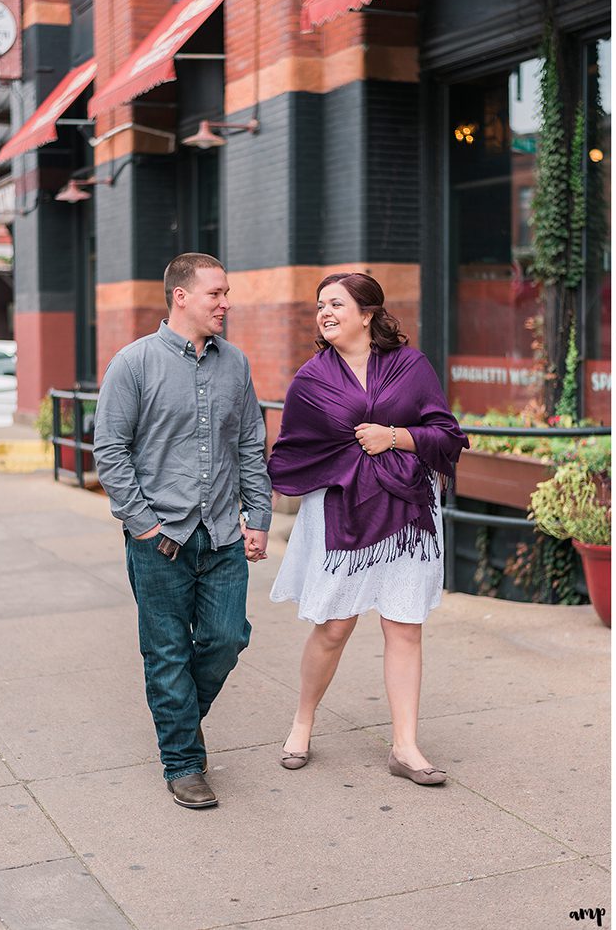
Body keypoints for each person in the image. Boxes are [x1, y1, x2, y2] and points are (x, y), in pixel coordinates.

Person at [266, 272, 467, 785]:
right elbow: (292, 454)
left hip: (408, 515)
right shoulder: (311, 380)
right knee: (334, 627)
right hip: (342, 515)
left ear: (367, 312)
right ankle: (302, 722)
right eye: (319, 306)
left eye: (335, 304)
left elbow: (446, 433)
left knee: (404, 625)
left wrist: (394, 437)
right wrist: (342, 465)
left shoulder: (410, 365)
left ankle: (406, 747)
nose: (324, 313)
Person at [95, 253, 272, 810]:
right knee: (166, 652)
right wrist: (143, 526)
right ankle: (184, 762)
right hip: (160, 539)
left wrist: (259, 517)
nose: (226, 303)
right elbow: (110, 451)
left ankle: (178, 721)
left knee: (227, 638)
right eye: (216, 294)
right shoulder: (133, 363)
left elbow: (249, 445)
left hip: (221, 533)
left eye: (226, 294)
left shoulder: (235, 364)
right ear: (181, 296)